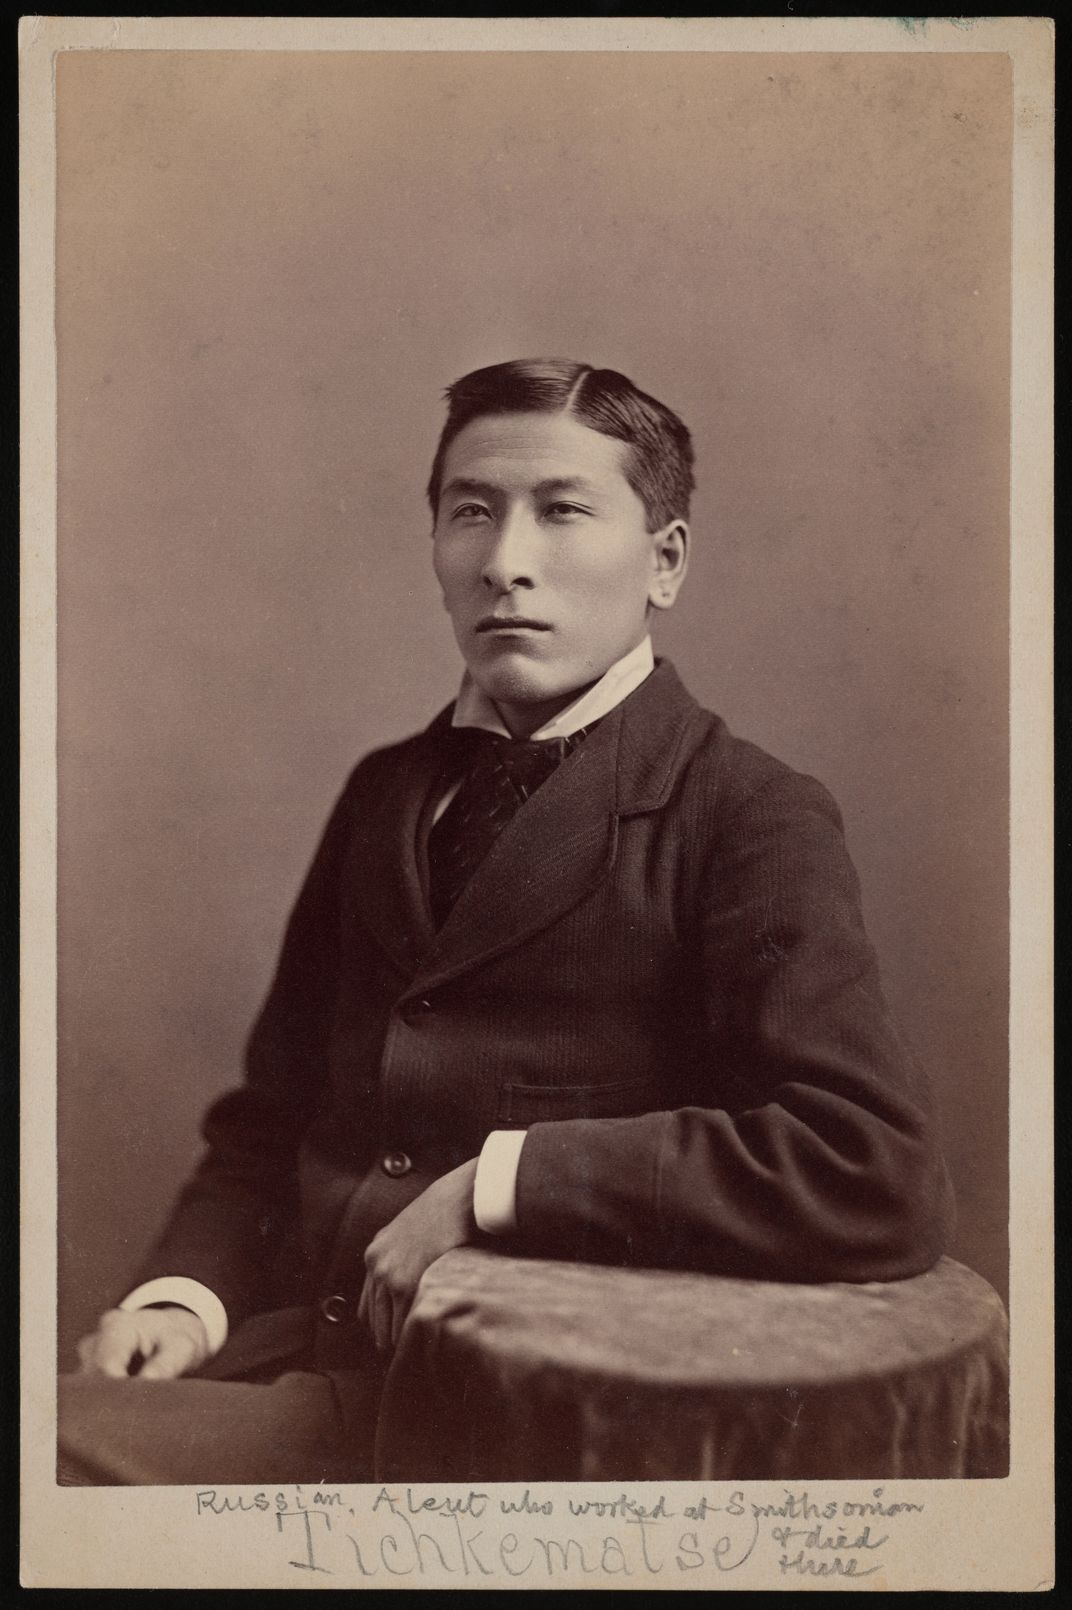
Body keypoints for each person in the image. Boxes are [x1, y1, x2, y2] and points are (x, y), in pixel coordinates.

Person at [59, 358, 954, 1484]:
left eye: (563, 510)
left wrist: (501, 1185)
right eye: (468, 511)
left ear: (664, 562)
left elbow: (868, 1163)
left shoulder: (747, 812)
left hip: (520, 1432)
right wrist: (184, 1296)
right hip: (304, 1363)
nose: (503, 562)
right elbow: (271, 1121)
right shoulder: (388, 789)